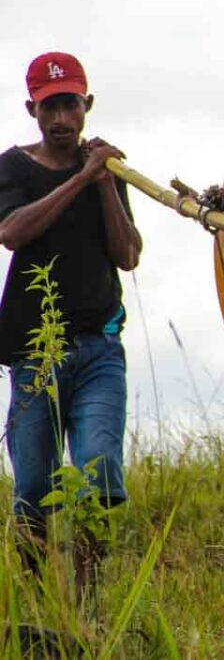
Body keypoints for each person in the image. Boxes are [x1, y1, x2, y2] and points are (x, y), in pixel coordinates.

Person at [0, 52, 141, 599]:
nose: (61, 118)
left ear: (88, 105)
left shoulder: (109, 171)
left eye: (71, 105)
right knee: (33, 486)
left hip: (101, 348)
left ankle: (88, 605)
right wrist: (82, 178)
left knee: (98, 474)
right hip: (37, 350)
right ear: (31, 108)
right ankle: (37, 606)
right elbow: (12, 233)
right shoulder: (13, 167)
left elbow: (127, 255)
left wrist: (104, 183)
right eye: (50, 106)